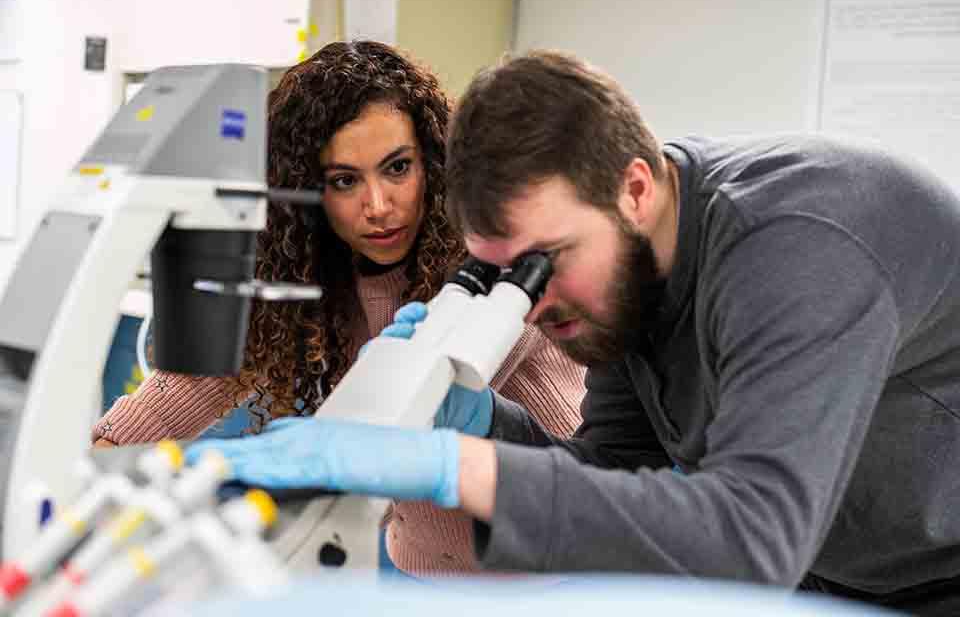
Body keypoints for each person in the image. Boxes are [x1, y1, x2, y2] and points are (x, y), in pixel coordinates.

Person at [188, 50, 960, 615]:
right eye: (499, 274)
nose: (529, 303)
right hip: (836, 571)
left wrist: (454, 466)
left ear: (632, 187)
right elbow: (611, 472)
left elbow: (754, 535)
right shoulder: (631, 262)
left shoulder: (801, 245)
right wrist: (485, 425)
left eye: (542, 262)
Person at [91, 42, 585, 577]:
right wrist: (89, 462)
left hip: (556, 556)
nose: (377, 206)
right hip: (424, 573)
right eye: (345, 181)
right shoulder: (312, 275)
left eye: (397, 168)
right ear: (309, 192)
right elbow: (189, 386)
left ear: (434, 163)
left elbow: (409, 404)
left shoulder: (494, 260)